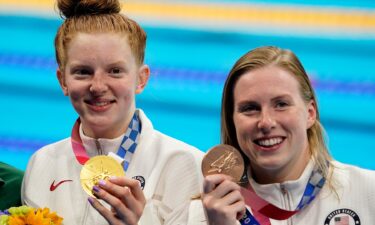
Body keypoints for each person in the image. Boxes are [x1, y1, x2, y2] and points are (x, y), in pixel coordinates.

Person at [21, 0, 204, 224]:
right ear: (63, 80)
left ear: (141, 78)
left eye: (115, 71)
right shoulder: (41, 164)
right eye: (82, 72)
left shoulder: (183, 163)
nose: (97, 86)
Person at [201, 46, 375, 225]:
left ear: (310, 113)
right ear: (233, 121)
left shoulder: (369, 193)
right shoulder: (209, 211)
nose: (266, 122)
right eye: (250, 108)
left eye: (281, 104)